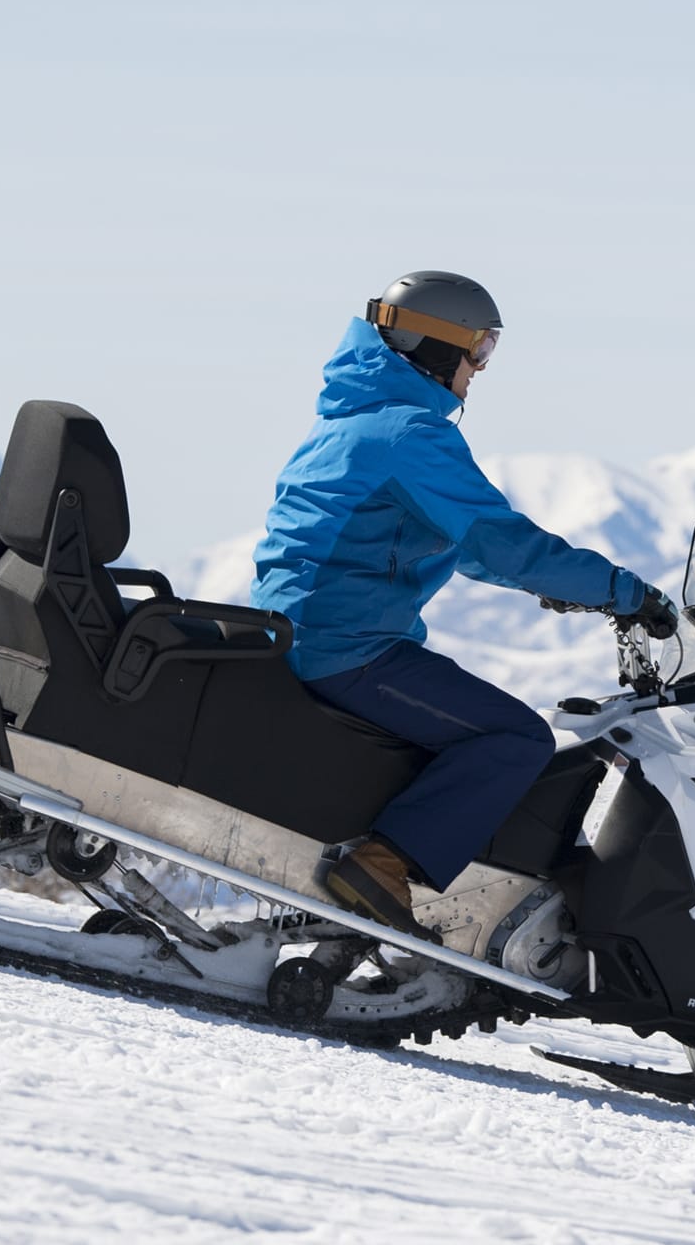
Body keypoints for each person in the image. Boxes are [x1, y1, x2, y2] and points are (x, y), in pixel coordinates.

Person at [251, 269, 673, 929]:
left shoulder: (350, 423)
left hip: (305, 632)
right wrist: (622, 591)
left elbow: (476, 550)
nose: (480, 369)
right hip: (346, 648)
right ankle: (380, 866)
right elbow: (502, 546)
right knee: (514, 736)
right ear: (435, 345)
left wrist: (564, 588)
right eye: (480, 349)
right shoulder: (409, 433)